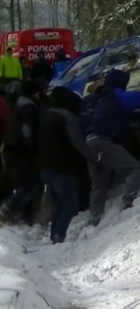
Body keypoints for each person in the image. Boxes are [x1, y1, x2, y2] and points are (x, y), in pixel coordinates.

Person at [86, 69, 140, 226]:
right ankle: (129, 200)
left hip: (90, 143)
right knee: (133, 169)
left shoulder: (104, 99)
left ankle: (94, 220)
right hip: (103, 142)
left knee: (98, 184)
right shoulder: (116, 94)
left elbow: (122, 115)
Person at [38, 87, 101, 243]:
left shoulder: (46, 114)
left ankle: (55, 235)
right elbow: (77, 142)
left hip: (44, 165)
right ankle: (59, 236)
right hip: (61, 166)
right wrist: (95, 157)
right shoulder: (67, 117)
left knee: (60, 201)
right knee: (70, 203)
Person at [0, 80, 44, 224]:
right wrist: (32, 151)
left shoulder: (19, 103)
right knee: (29, 184)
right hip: (19, 151)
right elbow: (27, 133)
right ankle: (9, 209)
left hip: (12, 149)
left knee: (21, 182)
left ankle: (17, 211)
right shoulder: (28, 109)